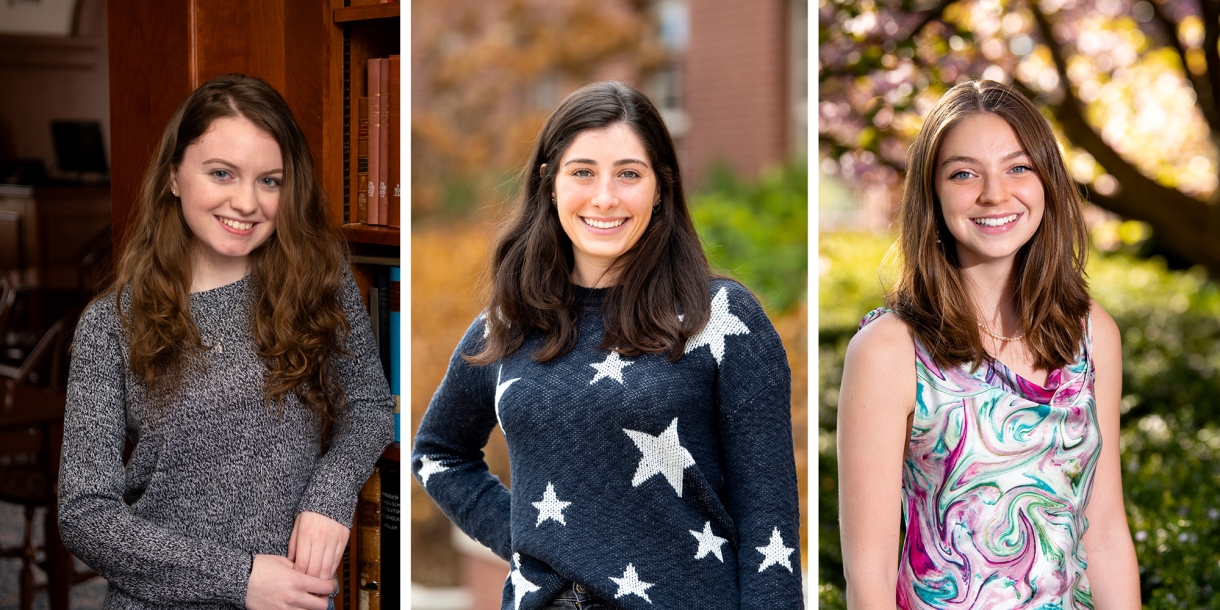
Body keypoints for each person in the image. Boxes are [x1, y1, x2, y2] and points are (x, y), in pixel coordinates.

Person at [412, 81, 803, 609]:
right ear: (550, 184)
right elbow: (439, 453)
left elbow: (769, 527)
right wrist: (533, 541)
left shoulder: (723, 320)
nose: (604, 197)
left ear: (661, 187)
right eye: (583, 172)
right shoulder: (509, 321)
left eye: (628, 174)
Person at [58, 74, 394, 609]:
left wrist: (330, 496)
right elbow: (85, 515)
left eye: (270, 181)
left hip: (293, 597)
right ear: (173, 176)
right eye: (221, 173)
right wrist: (240, 579)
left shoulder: (316, 278)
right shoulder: (109, 326)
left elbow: (371, 407)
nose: (247, 202)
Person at [836, 79, 1140, 609]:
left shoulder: (1092, 335)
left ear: (1048, 180)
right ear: (931, 193)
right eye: (963, 173)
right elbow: (870, 577)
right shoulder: (888, 351)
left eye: (1018, 167)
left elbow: (1106, 530)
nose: (995, 194)